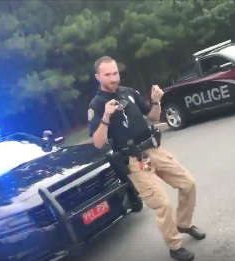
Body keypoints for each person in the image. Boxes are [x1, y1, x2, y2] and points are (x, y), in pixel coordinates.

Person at [87, 56, 205, 261]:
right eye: (108, 74)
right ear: (98, 77)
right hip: (133, 160)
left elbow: (153, 116)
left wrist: (156, 101)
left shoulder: (128, 92)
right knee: (162, 203)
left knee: (188, 184)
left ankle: (184, 224)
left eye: (115, 72)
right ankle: (175, 247)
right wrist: (106, 116)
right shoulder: (96, 105)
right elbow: (97, 143)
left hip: (152, 150)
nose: (114, 77)